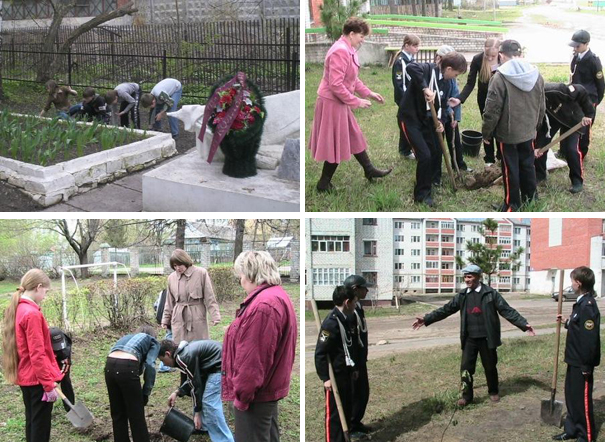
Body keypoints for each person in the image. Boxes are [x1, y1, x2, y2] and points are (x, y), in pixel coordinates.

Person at [412, 264, 536, 406]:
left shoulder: (490, 294)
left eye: (469, 276)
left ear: (478, 277)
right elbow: (446, 309)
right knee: (465, 368)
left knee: (490, 366)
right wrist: (427, 319)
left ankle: (493, 391)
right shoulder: (462, 296)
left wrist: (523, 324)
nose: (466, 279)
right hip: (469, 338)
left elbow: (507, 310)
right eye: (465, 276)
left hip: (487, 338)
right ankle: (467, 397)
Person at [308, 17, 392, 193]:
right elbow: (336, 84)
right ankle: (323, 184)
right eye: (361, 36)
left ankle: (369, 170)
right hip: (332, 103)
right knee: (336, 143)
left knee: (354, 135)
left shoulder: (348, 49)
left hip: (339, 101)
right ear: (351, 33)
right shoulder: (340, 51)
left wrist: (368, 93)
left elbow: (352, 78)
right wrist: (356, 101)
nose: (363, 39)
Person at [222, 251, 297, 442]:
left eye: (241, 275)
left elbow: (252, 361)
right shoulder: (274, 296)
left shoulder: (263, 306)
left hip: (255, 398)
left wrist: (242, 397)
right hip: (265, 392)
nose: (240, 280)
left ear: (250, 274)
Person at [481, 39, 545, 212]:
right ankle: (530, 198)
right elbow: (541, 106)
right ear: (520, 54)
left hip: (507, 134)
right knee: (528, 165)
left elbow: (492, 110)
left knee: (510, 170)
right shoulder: (536, 75)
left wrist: (486, 133)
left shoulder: (499, 77)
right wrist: (535, 127)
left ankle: (512, 205)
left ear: (501, 55)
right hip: (528, 131)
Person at [398, 51, 468, 207]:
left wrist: (441, 121)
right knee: (424, 155)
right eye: (456, 74)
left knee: (435, 151)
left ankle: (430, 180)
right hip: (410, 118)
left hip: (427, 119)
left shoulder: (445, 81)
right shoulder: (428, 69)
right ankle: (422, 195)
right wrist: (424, 88)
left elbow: (442, 103)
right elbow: (411, 67)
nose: (455, 77)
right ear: (448, 68)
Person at [1, 269, 63, 442]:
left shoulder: (17, 308)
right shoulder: (32, 314)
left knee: (32, 421)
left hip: (25, 376)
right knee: (40, 427)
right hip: (37, 380)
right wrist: (48, 385)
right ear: (39, 287)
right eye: (46, 291)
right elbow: (37, 353)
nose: (45, 295)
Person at [552, 266, 600, 442]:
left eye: (572, 280)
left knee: (582, 401)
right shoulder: (580, 303)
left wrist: (587, 365)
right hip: (573, 359)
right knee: (571, 397)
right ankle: (571, 429)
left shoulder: (588, 306)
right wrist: (567, 322)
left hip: (582, 362)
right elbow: (578, 327)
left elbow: (589, 339)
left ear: (578, 283)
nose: (571, 284)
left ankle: (585, 435)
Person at [159, 339, 235, 442]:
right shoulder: (183, 353)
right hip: (216, 366)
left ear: (167, 354)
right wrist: (177, 392)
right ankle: (203, 426)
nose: (164, 364)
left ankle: (224, 439)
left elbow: (196, 384)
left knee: (209, 402)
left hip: (221, 367)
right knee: (204, 397)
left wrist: (197, 411)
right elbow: (194, 379)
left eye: (162, 360)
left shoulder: (183, 357)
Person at [315, 285, 359, 442]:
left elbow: (348, 347)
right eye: (355, 301)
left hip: (346, 374)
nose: (356, 304)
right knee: (334, 415)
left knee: (346, 411)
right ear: (347, 302)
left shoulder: (347, 319)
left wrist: (353, 368)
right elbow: (320, 352)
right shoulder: (330, 324)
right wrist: (325, 378)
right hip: (334, 377)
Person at [534, 83, 594, 193]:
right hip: (551, 119)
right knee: (540, 145)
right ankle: (540, 174)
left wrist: (589, 113)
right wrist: (537, 146)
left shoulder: (555, 90)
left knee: (571, 149)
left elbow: (580, 89)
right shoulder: (530, 101)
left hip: (572, 118)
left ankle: (577, 180)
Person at [450, 37, 501, 165]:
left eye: (493, 56)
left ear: (499, 52)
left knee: (500, 126)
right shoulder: (478, 59)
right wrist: (460, 99)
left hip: (501, 98)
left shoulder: (503, 59)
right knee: (487, 126)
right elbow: (470, 83)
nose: (489, 58)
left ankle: (501, 155)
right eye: (487, 55)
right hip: (485, 99)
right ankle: (489, 158)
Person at [105, 325, 160, 442]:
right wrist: (145, 393)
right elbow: (150, 365)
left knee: (118, 414)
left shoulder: (126, 337)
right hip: (127, 366)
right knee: (136, 416)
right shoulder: (153, 341)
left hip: (109, 365)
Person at [161, 249, 221, 344]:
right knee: (179, 346)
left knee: (199, 345)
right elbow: (169, 302)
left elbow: (209, 296)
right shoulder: (171, 278)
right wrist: (165, 319)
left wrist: (215, 315)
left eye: (179, 264)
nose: (177, 268)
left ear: (185, 261)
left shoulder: (201, 273)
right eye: (175, 266)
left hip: (197, 314)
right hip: (179, 316)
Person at [568, 30, 604, 159]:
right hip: (576, 97)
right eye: (574, 46)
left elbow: (600, 83)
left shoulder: (593, 60)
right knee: (570, 122)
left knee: (585, 127)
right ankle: (565, 150)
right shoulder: (575, 57)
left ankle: (582, 152)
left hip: (589, 98)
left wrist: (595, 101)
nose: (575, 48)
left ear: (586, 44)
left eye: (578, 46)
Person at [343, 275, 371, 436]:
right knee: (354, 394)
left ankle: (356, 422)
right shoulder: (348, 309)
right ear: (355, 289)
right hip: (352, 361)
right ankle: (351, 427)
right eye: (364, 287)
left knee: (363, 392)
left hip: (360, 358)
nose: (367, 290)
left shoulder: (358, 306)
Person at [435, 45, 470, 173]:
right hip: (440, 116)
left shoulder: (452, 78)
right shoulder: (435, 76)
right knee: (438, 144)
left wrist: (456, 117)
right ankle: (436, 171)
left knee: (455, 140)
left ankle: (459, 164)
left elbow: (456, 98)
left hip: (451, 115)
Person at [392, 33, 421, 159]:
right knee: (407, 123)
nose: (417, 49)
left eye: (418, 46)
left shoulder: (410, 59)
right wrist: (405, 100)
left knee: (408, 122)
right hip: (405, 99)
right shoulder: (400, 62)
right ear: (407, 45)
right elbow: (399, 83)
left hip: (412, 98)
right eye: (415, 46)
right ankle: (406, 150)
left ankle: (404, 149)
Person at [49, 327, 75, 413]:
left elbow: (66, 364)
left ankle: (70, 408)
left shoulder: (65, 347)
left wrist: (57, 380)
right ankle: (46, 409)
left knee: (66, 380)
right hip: (47, 361)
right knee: (46, 386)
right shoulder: (40, 345)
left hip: (61, 359)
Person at [154, 289, 174, 373]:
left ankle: (164, 365)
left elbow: (155, 305)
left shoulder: (162, 291)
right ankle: (164, 366)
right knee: (170, 339)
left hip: (164, 318)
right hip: (174, 318)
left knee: (169, 337)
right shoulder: (175, 291)